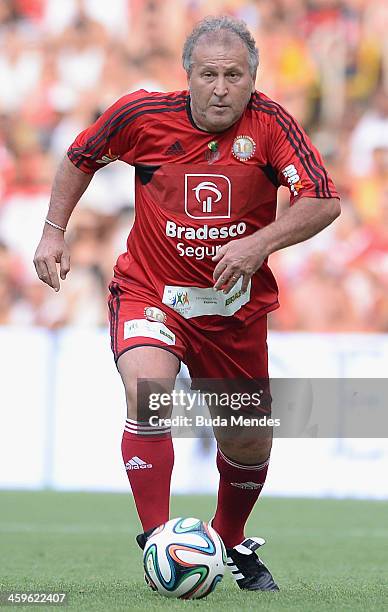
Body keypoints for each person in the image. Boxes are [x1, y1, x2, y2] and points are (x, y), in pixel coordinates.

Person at [33, 15, 340, 592]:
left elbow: (323, 202)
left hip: (231, 310)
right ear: (188, 76)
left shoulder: (271, 125)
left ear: (254, 78)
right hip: (153, 291)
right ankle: (158, 542)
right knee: (148, 390)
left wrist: (260, 242)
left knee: (248, 440)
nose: (221, 87)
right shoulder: (142, 115)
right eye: (209, 74)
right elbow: (81, 156)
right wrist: (54, 230)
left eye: (234, 75)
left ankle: (227, 544)